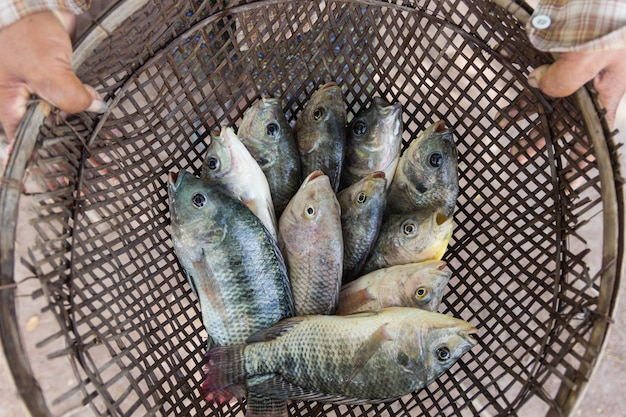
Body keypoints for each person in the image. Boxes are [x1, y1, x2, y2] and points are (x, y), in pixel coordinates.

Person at [0, 0, 624, 145]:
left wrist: (599, 17)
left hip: (327, 14)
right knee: (211, 97)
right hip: (166, 15)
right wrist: (23, 14)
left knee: (335, 104)